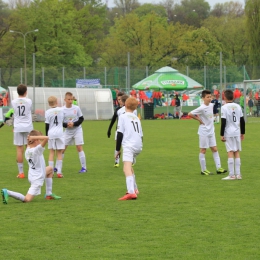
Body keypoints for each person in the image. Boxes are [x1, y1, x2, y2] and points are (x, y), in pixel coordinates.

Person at [1, 130, 61, 204]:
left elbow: (31, 142)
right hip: (37, 178)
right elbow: (47, 138)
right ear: (35, 140)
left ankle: (49, 194)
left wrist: (31, 138)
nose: (40, 141)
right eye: (39, 140)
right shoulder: (36, 150)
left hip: (34, 174)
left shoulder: (28, 149)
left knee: (50, 169)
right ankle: (8, 192)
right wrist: (33, 137)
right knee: (27, 199)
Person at [188, 90, 227, 175]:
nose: (209, 98)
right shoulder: (201, 108)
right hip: (204, 131)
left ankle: (219, 168)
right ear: (203, 98)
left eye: (210, 97)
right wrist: (199, 120)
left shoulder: (211, 105)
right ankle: (203, 170)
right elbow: (190, 114)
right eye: (207, 97)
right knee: (203, 150)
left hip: (211, 131)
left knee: (214, 149)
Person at [115, 97, 143, 200]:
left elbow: (119, 134)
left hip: (129, 145)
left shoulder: (123, 116)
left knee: (126, 168)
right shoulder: (136, 118)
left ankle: (131, 192)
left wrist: (117, 150)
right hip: (138, 145)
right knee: (129, 166)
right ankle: (135, 189)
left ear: (125, 105)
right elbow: (141, 134)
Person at [221, 90, 245, 180]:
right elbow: (242, 120)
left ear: (225, 97)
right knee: (237, 152)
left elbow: (223, 122)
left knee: (230, 151)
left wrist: (221, 134)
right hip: (237, 131)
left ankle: (231, 175)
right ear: (233, 97)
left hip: (228, 132)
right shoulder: (238, 106)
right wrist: (242, 133)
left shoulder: (224, 107)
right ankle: (238, 174)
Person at [11, 84, 33, 179]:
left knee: (19, 150)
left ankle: (21, 173)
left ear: (17, 92)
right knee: (29, 148)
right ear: (25, 92)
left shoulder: (13, 102)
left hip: (18, 127)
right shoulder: (29, 101)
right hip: (28, 127)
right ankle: (32, 170)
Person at [61, 92, 87, 173]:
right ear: (65, 100)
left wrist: (74, 124)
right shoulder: (62, 110)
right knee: (62, 149)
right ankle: (57, 167)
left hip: (77, 130)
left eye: (71, 99)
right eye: (68, 99)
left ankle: (84, 168)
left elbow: (81, 119)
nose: (70, 101)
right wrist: (66, 125)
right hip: (68, 131)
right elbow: (60, 122)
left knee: (79, 147)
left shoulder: (76, 108)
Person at [45, 96, 65, 178]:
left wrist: (46, 135)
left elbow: (47, 124)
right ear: (56, 102)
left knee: (51, 152)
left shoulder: (47, 112)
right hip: (60, 133)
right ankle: (59, 172)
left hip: (51, 134)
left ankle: (51, 172)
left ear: (49, 103)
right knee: (59, 152)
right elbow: (62, 121)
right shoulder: (61, 110)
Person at [107, 92, 124, 167]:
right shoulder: (117, 109)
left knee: (127, 145)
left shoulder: (127, 109)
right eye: (118, 99)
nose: (119, 101)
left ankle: (131, 159)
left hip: (127, 130)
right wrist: (109, 129)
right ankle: (116, 161)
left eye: (120, 99)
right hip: (119, 129)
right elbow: (113, 120)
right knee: (117, 144)